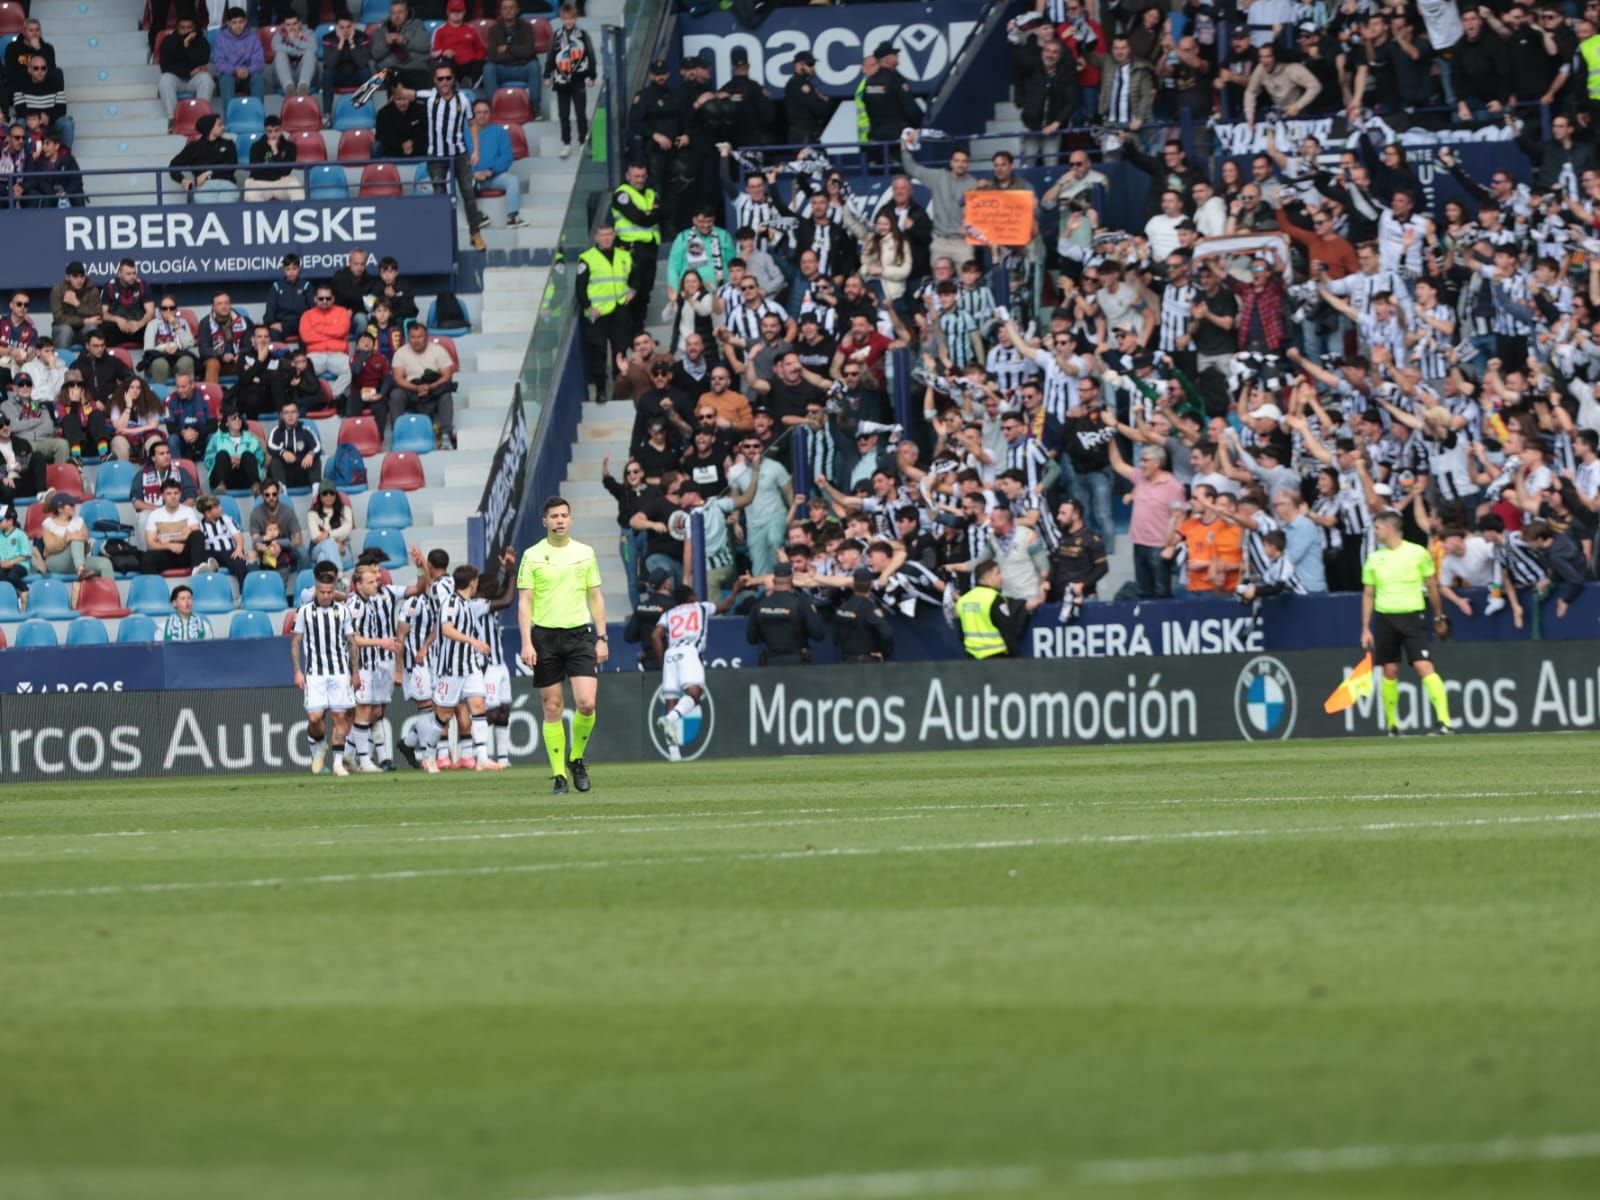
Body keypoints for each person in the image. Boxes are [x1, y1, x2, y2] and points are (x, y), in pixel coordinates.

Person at [517, 496, 606, 795]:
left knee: (587, 703)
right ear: (545, 521)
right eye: (553, 516)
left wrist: (602, 637)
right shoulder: (531, 555)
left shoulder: (585, 553)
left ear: (570, 519)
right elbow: (525, 601)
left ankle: (576, 758)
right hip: (545, 638)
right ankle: (559, 777)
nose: (559, 520)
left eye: (564, 515)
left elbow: (595, 596)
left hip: (579, 635)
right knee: (552, 707)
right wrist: (526, 642)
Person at [1361, 510, 1455, 736]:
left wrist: (1438, 616)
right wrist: (1365, 628)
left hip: (1412, 617)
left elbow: (1432, 586)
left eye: (1377, 527)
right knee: (1390, 670)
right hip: (1385, 618)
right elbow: (1368, 594)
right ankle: (1393, 726)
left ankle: (1444, 722)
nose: (1375, 532)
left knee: (1424, 666)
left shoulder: (1417, 553)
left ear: (1389, 528)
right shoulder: (1374, 558)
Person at [651, 581, 738, 759]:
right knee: (695, 694)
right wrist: (737, 588)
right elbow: (726, 605)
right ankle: (671, 719)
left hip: (670, 654)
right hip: (689, 651)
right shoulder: (701, 607)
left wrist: (663, 663)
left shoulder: (668, 614)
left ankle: (674, 755)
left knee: (671, 701)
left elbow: (655, 635)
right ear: (691, 597)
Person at [427, 563, 497, 771]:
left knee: (478, 706)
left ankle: (482, 757)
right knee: (444, 715)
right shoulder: (450, 603)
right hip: (450, 669)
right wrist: (474, 642)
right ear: (473, 582)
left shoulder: (467, 604)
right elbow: (447, 629)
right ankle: (429, 754)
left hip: (470, 667)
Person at [292, 562, 358, 776]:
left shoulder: (343, 611)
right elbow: (295, 642)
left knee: (340, 717)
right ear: (316, 589)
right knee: (314, 717)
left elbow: (352, 642)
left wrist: (355, 672)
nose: (326, 596)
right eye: (322, 592)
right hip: (315, 673)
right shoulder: (304, 612)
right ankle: (318, 746)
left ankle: (338, 762)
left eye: (330, 592)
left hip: (339, 672)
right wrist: (297, 670)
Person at [416, 62, 486, 251]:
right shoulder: (429, 97)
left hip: (459, 153)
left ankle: (475, 234)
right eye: (441, 78)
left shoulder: (462, 100)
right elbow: (405, 94)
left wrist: (476, 151)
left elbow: (472, 124)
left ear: (453, 79)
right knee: (440, 198)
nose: (445, 82)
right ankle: (442, 238)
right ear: (435, 80)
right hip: (436, 156)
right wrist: (390, 80)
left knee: (469, 195)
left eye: (448, 78)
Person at [346, 562, 405, 773]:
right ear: (358, 585)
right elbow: (351, 638)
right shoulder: (355, 605)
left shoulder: (368, 602)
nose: (375, 585)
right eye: (370, 582)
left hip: (372, 665)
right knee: (363, 711)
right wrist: (380, 642)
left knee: (371, 711)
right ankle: (365, 761)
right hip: (360, 665)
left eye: (375, 581)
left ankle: (350, 756)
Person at [578, 225, 634, 401]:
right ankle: (601, 391)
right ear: (596, 238)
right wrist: (588, 307)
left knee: (620, 350)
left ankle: (620, 390)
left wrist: (634, 290)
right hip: (599, 312)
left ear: (614, 235)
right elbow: (580, 287)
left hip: (620, 309)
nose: (607, 238)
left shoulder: (624, 256)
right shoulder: (586, 258)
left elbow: (634, 277)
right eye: (603, 235)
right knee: (599, 351)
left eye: (609, 234)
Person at [391, 321, 458, 447]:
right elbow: (398, 378)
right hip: (411, 388)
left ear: (427, 337)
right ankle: (397, 432)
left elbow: (447, 374)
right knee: (396, 394)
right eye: (413, 337)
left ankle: (445, 434)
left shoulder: (439, 350)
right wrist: (416, 388)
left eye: (420, 337)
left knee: (446, 395)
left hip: (434, 388)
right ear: (408, 338)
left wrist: (431, 386)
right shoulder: (400, 353)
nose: (416, 340)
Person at [611, 161, 661, 329]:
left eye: (643, 176)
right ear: (627, 176)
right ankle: (631, 334)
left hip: (650, 249)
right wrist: (650, 214)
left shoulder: (649, 193)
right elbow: (638, 218)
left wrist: (650, 214)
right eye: (636, 176)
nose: (640, 180)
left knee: (646, 291)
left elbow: (662, 213)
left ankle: (639, 331)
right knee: (633, 291)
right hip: (631, 250)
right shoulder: (622, 194)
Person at [745, 561, 825, 664]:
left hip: (771, 662)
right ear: (792, 580)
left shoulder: (759, 606)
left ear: (774, 580)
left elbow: (752, 639)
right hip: (798, 663)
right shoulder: (802, 604)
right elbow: (818, 635)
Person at [544, 3, 596, 159]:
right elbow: (551, 56)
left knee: (581, 113)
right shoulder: (556, 35)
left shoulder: (582, 35)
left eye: (571, 18)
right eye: (565, 19)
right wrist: (547, 75)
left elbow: (590, 56)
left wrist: (592, 76)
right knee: (563, 114)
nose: (568, 22)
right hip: (561, 80)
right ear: (561, 19)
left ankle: (583, 143)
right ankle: (566, 143)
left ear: (576, 18)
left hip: (579, 79)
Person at [955, 559, 1031, 658]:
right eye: (998, 573)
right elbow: (1008, 631)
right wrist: (1017, 657)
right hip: (997, 659)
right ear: (986, 577)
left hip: (972, 659)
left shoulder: (963, 600)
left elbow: (961, 635)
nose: (1002, 577)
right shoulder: (994, 599)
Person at [468, 98, 524, 228]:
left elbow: (507, 157)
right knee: (456, 181)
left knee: (512, 180)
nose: (482, 115)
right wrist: (472, 174)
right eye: (478, 112)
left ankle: (513, 217)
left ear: (491, 114)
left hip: (493, 177)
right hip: (471, 179)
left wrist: (490, 171)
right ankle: (475, 216)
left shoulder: (500, 132)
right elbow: (460, 160)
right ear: (472, 114)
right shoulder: (464, 133)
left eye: (485, 112)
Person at [40, 492, 112, 580]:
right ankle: (81, 571)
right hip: (55, 562)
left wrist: (86, 541)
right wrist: (67, 538)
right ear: (60, 509)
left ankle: (109, 592)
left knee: (105, 563)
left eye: (74, 504)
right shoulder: (48, 524)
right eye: (71, 505)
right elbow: (51, 547)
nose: (74, 507)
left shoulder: (79, 522)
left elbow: (86, 551)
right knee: (76, 539)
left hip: (77, 562)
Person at [168, 114, 239, 203]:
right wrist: (183, 180)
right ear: (210, 128)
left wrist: (208, 173)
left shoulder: (229, 144)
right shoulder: (194, 147)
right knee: (208, 205)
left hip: (227, 183)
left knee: (226, 204)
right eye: (219, 125)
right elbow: (173, 165)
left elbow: (231, 164)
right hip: (204, 186)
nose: (223, 127)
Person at [299, 286, 352, 403]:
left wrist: (318, 329)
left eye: (328, 298)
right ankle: (317, 396)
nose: (324, 301)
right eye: (321, 298)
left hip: (338, 354)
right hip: (315, 354)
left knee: (352, 368)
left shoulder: (342, 312)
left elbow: (342, 331)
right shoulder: (307, 315)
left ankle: (331, 396)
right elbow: (306, 337)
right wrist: (332, 333)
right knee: (301, 369)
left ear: (333, 299)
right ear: (315, 299)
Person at [158, 16, 215, 123]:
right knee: (165, 79)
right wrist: (189, 72)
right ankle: (174, 119)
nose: (186, 31)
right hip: (177, 79)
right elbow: (165, 67)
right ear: (177, 28)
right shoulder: (169, 42)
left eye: (189, 28)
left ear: (194, 29)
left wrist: (187, 45)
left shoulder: (201, 42)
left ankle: (201, 119)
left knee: (206, 79)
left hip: (194, 80)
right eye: (182, 28)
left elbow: (201, 63)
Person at [140, 478, 203, 574]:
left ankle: (197, 572)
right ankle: (153, 586)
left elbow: (195, 534)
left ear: (180, 494)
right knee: (147, 557)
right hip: (166, 553)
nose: (173, 496)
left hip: (185, 552)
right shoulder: (154, 515)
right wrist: (170, 546)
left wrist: (170, 539)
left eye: (176, 493)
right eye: (169, 493)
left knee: (198, 535)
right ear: (163, 496)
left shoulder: (188, 511)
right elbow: (150, 544)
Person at [482, 0, 540, 103]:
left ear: (517, 10)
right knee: (488, 68)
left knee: (534, 66)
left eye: (511, 7)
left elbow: (529, 52)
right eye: (505, 8)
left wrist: (508, 48)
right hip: (502, 69)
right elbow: (493, 56)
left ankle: (535, 108)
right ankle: (493, 107)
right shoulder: (493, 29)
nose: (508, 11)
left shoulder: (527, 27)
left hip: (522, 68)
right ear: (500, 11)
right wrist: (519, 53)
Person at [834, 567, 895, 662]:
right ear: (870, 585)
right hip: (867, 661)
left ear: (853, 585)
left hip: (846, 659)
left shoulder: (843, 607)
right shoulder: (869, 608)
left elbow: (836, 636)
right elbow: (886, 633)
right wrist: (885, 652)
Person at [372, 0, 431, 91]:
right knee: (387, 77)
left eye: (400, 12)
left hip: (415, 68)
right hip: (392, 69)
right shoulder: (382, 29)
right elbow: (375, 55)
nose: (397, 16)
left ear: (407, 12)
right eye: (393, 13)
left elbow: (425, 46)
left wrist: (405, 41)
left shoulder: (417, 24)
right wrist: (385, 43)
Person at [243, 115, 303, 203]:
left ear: (281, 129)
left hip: (281, 182)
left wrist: (275, 151)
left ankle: (298, 214)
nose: (273, 134)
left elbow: (285, 171)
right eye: (269, 132)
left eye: (276, 130)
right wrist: (276, 172)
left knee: (296, 186)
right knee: (251, 192)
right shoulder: (256, 147)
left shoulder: (290, 147)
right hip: (261, 183)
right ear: (265, 131)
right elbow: (255, 171)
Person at [266, 399, 322, 490]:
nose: (290, 415)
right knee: (275, 460)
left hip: (301, 472)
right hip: (284, 474)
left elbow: (317, 446)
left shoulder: (306, 430)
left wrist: (311, 454)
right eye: (286, 412)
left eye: (293, 412)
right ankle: (282, 492)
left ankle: (316, 494)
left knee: (316, 459)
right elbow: (270, 445)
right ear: (281, 415)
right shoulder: (276, 431)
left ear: (298, 414)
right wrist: (282, 452)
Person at [140, 296, 197, 383]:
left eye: (172, 308)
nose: (168, 311)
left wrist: (176, 325)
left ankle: (185, 393)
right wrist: (163, 348)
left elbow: (189, 344)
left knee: (187, 361)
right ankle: (160, 395)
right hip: (157, 360)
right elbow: (147, 349)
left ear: (176, 310)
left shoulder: (183, 322)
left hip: (177, 358)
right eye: (164, 308)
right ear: (160, 310)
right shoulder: (152, 324)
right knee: (160, 364)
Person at [320, 17, 371, 115]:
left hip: (356, 75)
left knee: (365, 72)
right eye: (342, 28)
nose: (346, 31)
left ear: (353, 27)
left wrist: (351, 42)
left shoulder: (362, 37)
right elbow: (329, 63)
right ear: (337, 28)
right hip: (338, 77)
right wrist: (341, 42)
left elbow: (362, 63)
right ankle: (327, 114)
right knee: (327, 73)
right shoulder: (328, 38)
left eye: (348, 27)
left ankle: (367, 110)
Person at [100, 260, 154, 349]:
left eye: (134, 273)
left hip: (137, 326)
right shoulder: (109, 286)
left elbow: (150, 312)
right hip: (118, 328)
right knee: (105, 327)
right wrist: (117, 320)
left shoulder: (143, 285)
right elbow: (103, 314)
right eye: (128, 274)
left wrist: (139, 324)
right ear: (120, 274)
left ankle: (149, 357)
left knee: (151, 326)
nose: (132, 277)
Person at [784, 49, 833, 147]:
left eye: (813, 64)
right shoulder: (798, 84)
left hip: (807, 135)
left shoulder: (803, 83)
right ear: (799, 65)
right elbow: (819, 109)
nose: (813, 68)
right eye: (810, 64)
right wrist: (825, 101)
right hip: (803, 136)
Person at [48, 261, 100, 350]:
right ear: (67, 277)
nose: (79, 280)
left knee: (92, 328)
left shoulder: (92, 290)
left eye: (82, 276)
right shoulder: (57, 290)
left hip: (84, 330)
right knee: (65, 330)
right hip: (64, 329)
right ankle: (60, 361)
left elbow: (97, 315)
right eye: (75, 276)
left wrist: (77, 304)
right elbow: (59, 318)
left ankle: (95, 362)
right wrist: (84, 321)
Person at [307, 481, 354, 568]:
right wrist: (335, 543)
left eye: (332, 493)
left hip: (343, 548)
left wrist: (328, 534)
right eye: (325, 493)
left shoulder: (345, 510)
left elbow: (347, 530)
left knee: (322, 558)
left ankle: (330, 580)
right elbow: (316, 537)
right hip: (318, 548)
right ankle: (339, 575)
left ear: (336, 495)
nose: (328, 496)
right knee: (328, 544)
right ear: (320, 496)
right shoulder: (312, 514)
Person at [375, 84, 426, 159]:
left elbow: (425, 131)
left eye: (405, 99)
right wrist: (401, 145)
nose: (402, 103)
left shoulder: (421, 110)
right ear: (392, 98)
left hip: (417, 148)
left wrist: (412, 142)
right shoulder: (383, 114)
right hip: (393, 151)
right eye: (398, 99)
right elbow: (381, 136)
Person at [0, 502, 31, 605]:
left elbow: (26, 555)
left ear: (10, 521)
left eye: (1, 521)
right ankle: (15, 596)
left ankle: (25, 590)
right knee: (2, 575)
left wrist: (11, 562)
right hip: (4, 565)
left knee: (12, 576)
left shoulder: (20, 535)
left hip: (20, 564)